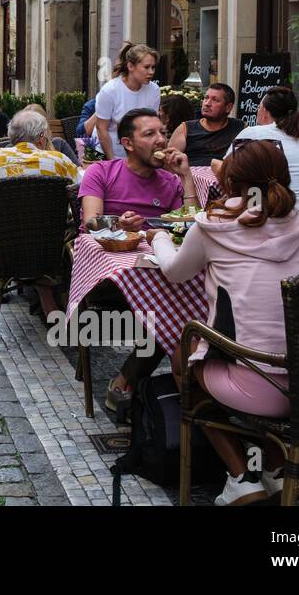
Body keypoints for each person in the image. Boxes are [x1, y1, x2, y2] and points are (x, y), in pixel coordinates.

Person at [152, 139, 299, 505]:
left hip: (253, 386)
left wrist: (160, 237)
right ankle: (276, 467)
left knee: (185, 357)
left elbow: (174, 272)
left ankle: (242, 475)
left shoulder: (213, 227)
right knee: (254, 346)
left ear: (229, 182)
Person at [80, 108, 199, 411]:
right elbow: (91, 223)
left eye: (162, 132)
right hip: (112, 277)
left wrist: (185, 176)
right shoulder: (102, 172)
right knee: (175, 311)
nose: (161, 140)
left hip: (159, 273)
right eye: (150, 134)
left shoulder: (170, 181)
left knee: (183, 306)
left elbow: (191, 227)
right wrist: (119, 224)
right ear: (128, 143)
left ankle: (131, 383)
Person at [0, 110, 82, 327]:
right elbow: (78, 197)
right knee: (40, 235)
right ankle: (50, 306)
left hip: (1, 250)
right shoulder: (59, 161)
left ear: (12, 136)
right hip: (49, 250)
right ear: (42, 138)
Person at [213, 87, 299, 211]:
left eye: (258, 108)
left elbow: (226, 169)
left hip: (281, 212)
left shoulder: (254, 133)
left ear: (264, 111)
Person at [93, 41, 161, 160]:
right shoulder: (110, 90)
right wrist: (111, 161)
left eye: (153, 67)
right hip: (107, 152)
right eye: (146, 67)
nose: (151, 72)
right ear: (130, 66)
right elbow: (101, 128)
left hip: (138, 155)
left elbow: (151, 124)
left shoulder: (154, 90)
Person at [169, 82, 243, 167]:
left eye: (215, 100)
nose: (207, 103)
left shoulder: (239, 127)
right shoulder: (185, 129)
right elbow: (170, 162)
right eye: (206, 98)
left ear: (228, 107)